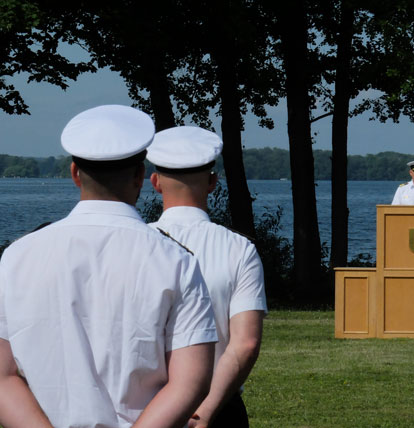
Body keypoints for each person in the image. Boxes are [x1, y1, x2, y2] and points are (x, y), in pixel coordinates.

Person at [0, 105, 218, 427]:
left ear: (75, 173)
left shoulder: (17, 257)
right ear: (141, 176)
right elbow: (191, 381)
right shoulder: (176, 261)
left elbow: (3, 376)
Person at [147, 126, 267, 428]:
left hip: (145, 407)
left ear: (155, 182)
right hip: (219, 407)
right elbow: (246, 343)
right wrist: (207, 410)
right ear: (213, 182)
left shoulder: (131, 244)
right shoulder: (239, 249)